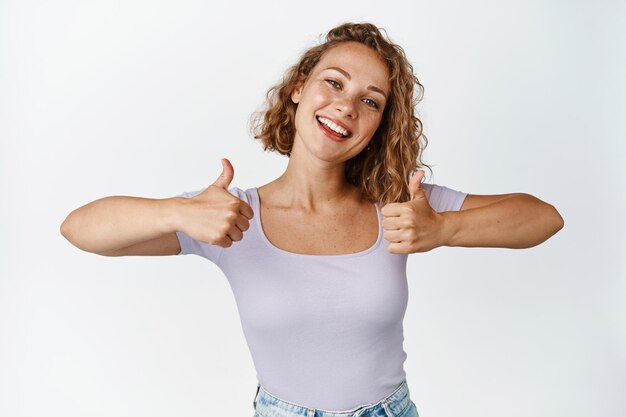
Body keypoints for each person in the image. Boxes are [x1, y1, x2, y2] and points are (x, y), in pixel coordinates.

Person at [61, 22, 564, 417]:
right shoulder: (230, 216)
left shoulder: (400, 203)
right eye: (334, 83)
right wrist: (178, 211)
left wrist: (444, 229)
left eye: (371, 101)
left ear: (379, 125)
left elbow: (543, 219)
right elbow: (79, 229)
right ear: (300, 88)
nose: (346, 106)